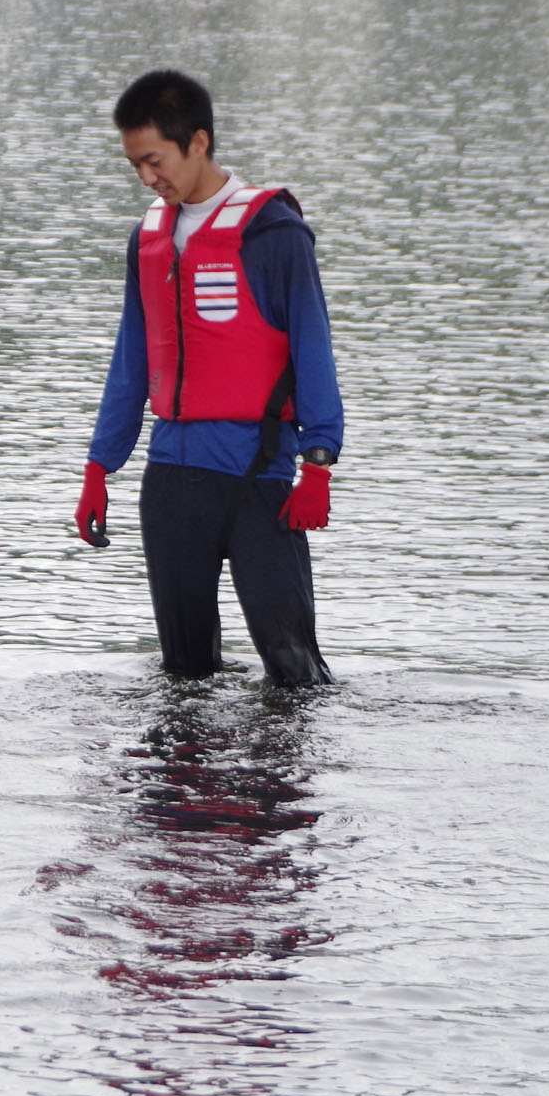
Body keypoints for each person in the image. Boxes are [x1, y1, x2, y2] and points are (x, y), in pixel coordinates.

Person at [76, 69, 342, 688]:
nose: (147, 177)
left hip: (260, 477)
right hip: (172, 483)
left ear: (198, 142)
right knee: (183, 675)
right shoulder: (147, 238)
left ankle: (281, 785)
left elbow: (313, 348)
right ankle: (183, 780)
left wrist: (319, 464)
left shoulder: (274, 233)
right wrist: (100, 465)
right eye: (135, 165)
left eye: (154, 160)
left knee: (293, 670)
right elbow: (131, 360)